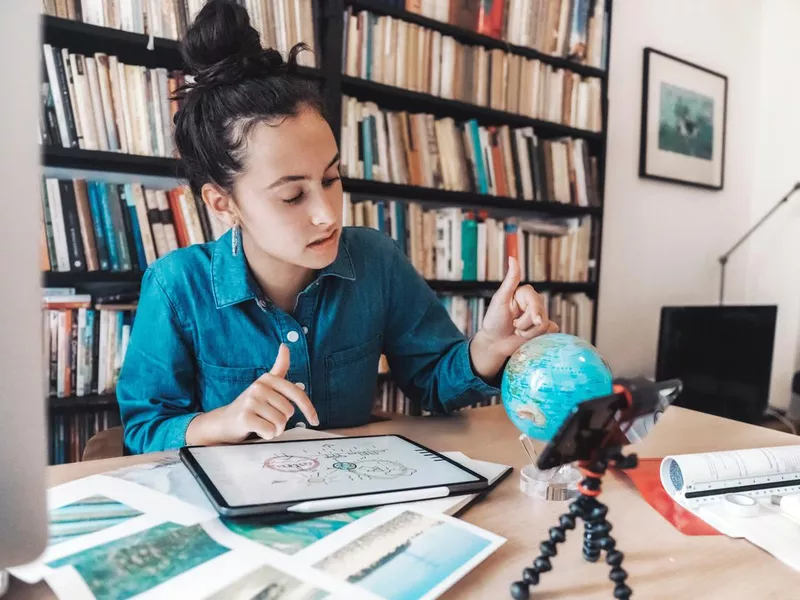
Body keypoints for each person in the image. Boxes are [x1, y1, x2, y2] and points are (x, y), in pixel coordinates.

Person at [116, 0, 558, 455]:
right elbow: (145, 429)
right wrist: (220, 422)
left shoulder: (376, 261)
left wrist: (488, 344)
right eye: (292, 196)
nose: (327, 213)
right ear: (222, 203)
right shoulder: (176, 286)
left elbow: (433, 384)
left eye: (330, 179)